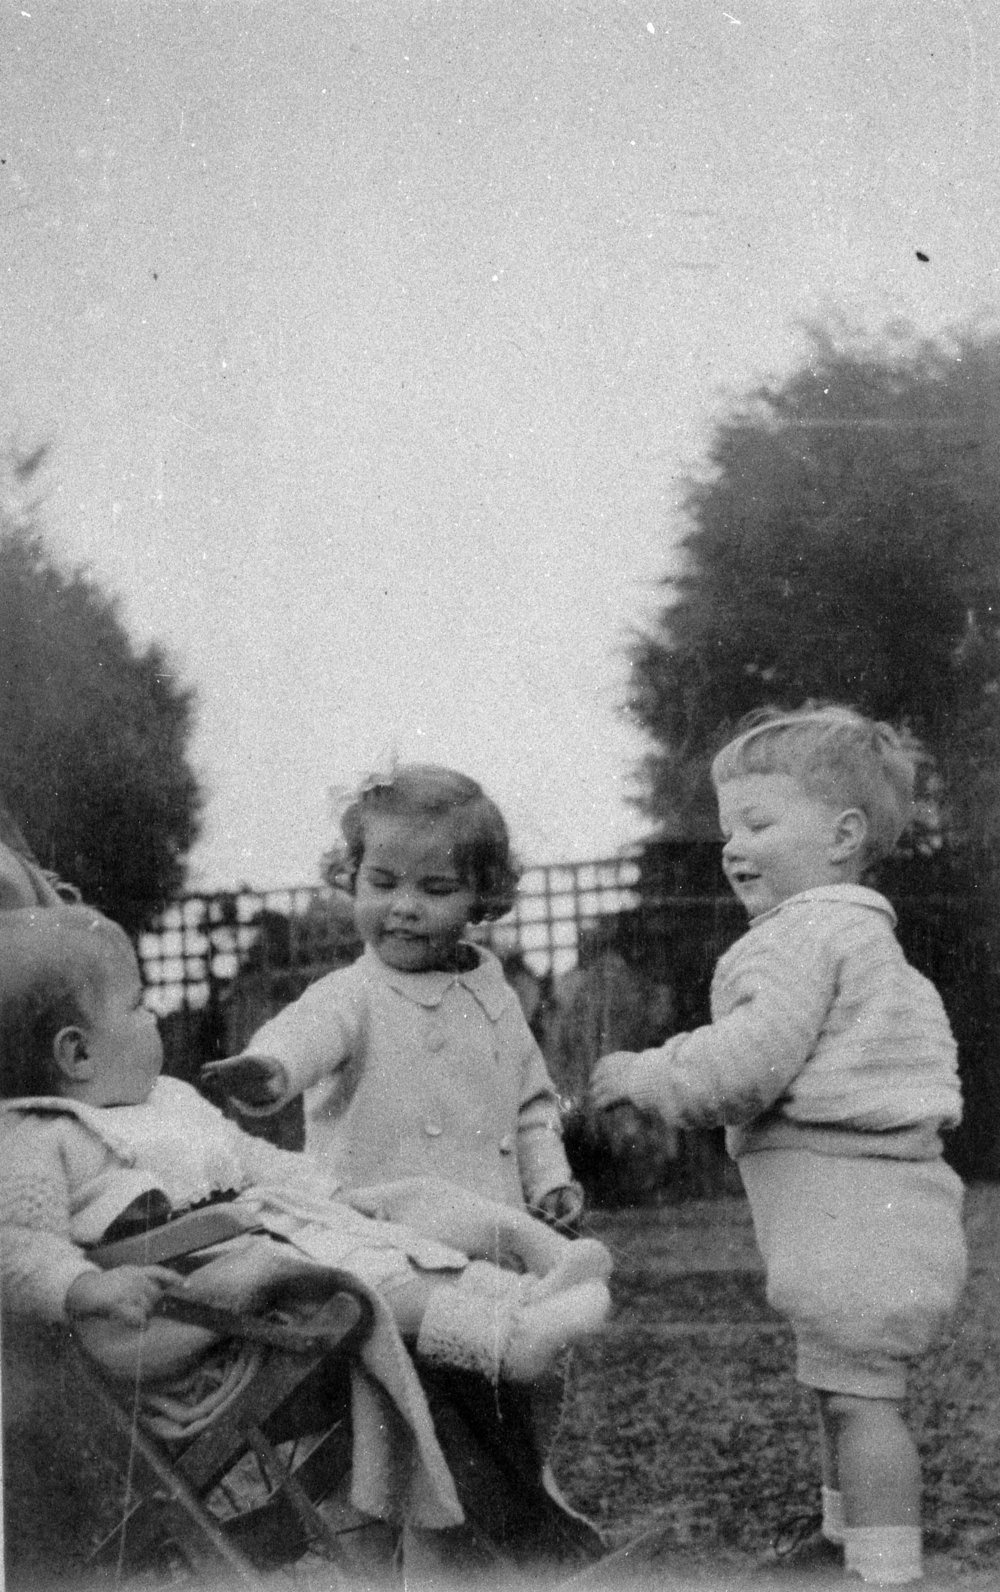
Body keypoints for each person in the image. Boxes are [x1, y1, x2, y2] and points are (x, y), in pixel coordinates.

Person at [591, 705, 966, 1587]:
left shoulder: (800, 938)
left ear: (842, 837)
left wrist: (642, 1075)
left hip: (847, 1209)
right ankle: (845, 1542)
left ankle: (888, 1567)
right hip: (880, 1203)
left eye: (759, 823)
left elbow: (745, 1068)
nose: (732, 846)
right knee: (844, 1387)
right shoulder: (863, 937)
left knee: (863, 1403)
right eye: (729, 828)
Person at [0, 904, 611, 1397]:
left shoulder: (167, 1101)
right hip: (208, 1303)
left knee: (400, 1207)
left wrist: (332, 1193)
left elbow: (246, 1155)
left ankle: (539, 1277)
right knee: (361, 1274)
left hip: (267, 1234)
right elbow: (17, 1243)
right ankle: (506, 1335)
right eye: (138, 1005)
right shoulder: (42, 1135)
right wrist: (82, 1288)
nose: (154, 1014)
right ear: (77, 1054)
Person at [202, 763, 583, 1224]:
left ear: (479, 897)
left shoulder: (496, 999)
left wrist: (548, 1182)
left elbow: (531, 1107)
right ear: (352, 877)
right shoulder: (354, 994)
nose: (404, 907)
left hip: (487, 1223)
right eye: (382, 883)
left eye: (436, 889)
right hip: (376, 1225)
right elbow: (308, 1035)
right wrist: (272, 1068)